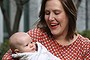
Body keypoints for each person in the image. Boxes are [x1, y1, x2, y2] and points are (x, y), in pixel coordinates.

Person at [2, 0, 90, 60]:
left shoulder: (84, 47)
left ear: (69, 14)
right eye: (47, 13)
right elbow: (8, 57)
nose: (50, 18)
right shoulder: (35, 36)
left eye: (56, 13)